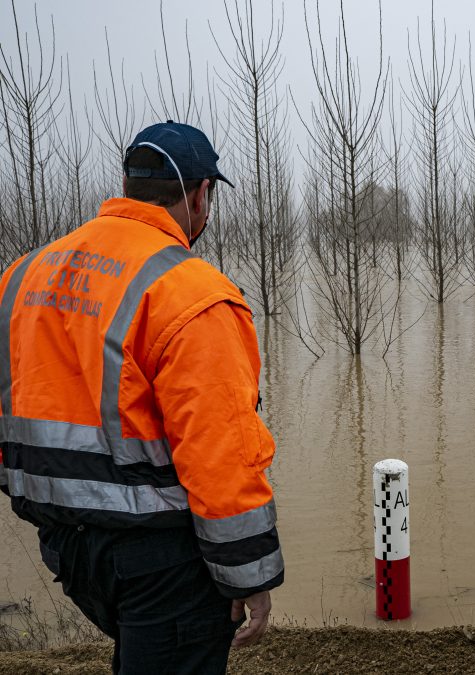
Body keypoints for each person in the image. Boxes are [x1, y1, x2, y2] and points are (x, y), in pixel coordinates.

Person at [0, 121, 283, 674]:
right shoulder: (193, 294)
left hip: (67, 547)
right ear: (202, 195)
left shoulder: (22, 276)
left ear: (128, 186)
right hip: (163, 560)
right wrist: (250, 577)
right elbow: (220, 454)